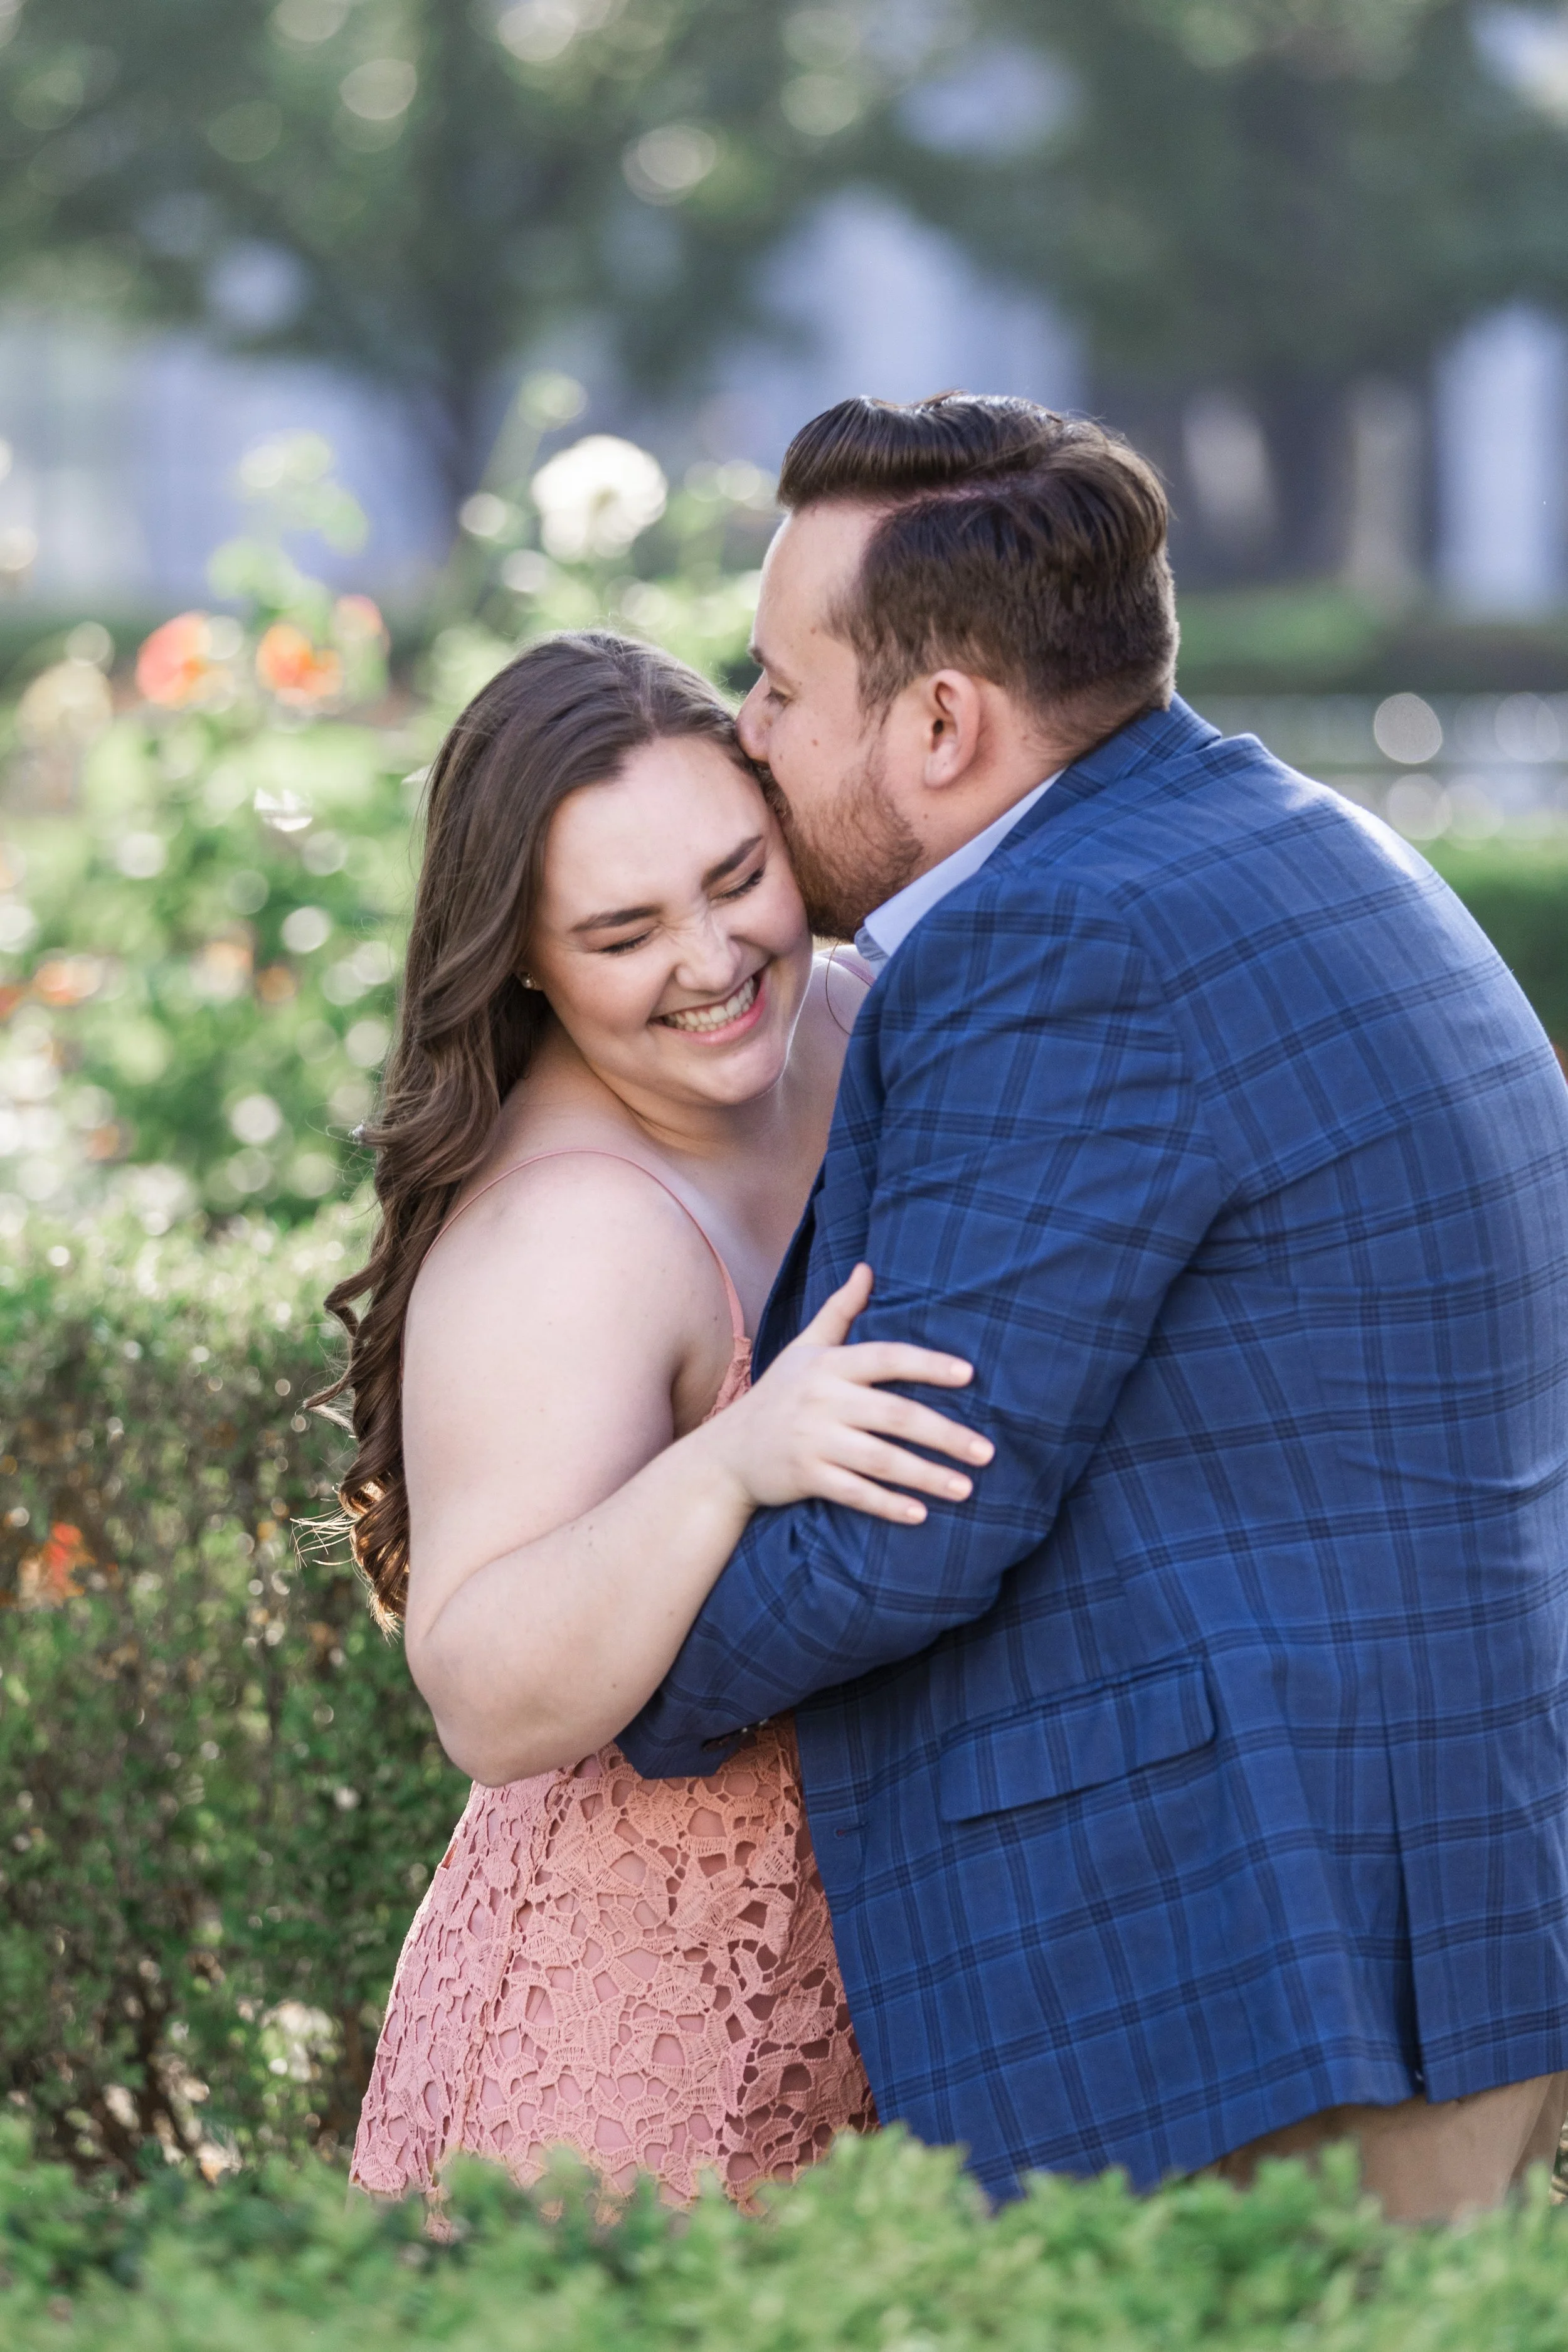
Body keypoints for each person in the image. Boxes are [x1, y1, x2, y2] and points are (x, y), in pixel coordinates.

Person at [613, 393, 1568, 2221]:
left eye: (780, 689)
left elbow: (907, 1512)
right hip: (1422, 1907)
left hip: (1264, 1974)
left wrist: (586, 1668)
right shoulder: (1276, 839)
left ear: (944, 722)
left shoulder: (1055, 941)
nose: (743, 737)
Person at [334, 630, 988, 2206]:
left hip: (877, 2026)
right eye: (623, 932)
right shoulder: (569, 1239)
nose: (710, 961)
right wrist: (728, 1466)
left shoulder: (850, 1016)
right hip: (626, 2079)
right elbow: (483, 1692)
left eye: (735, 876)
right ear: (527, 967)